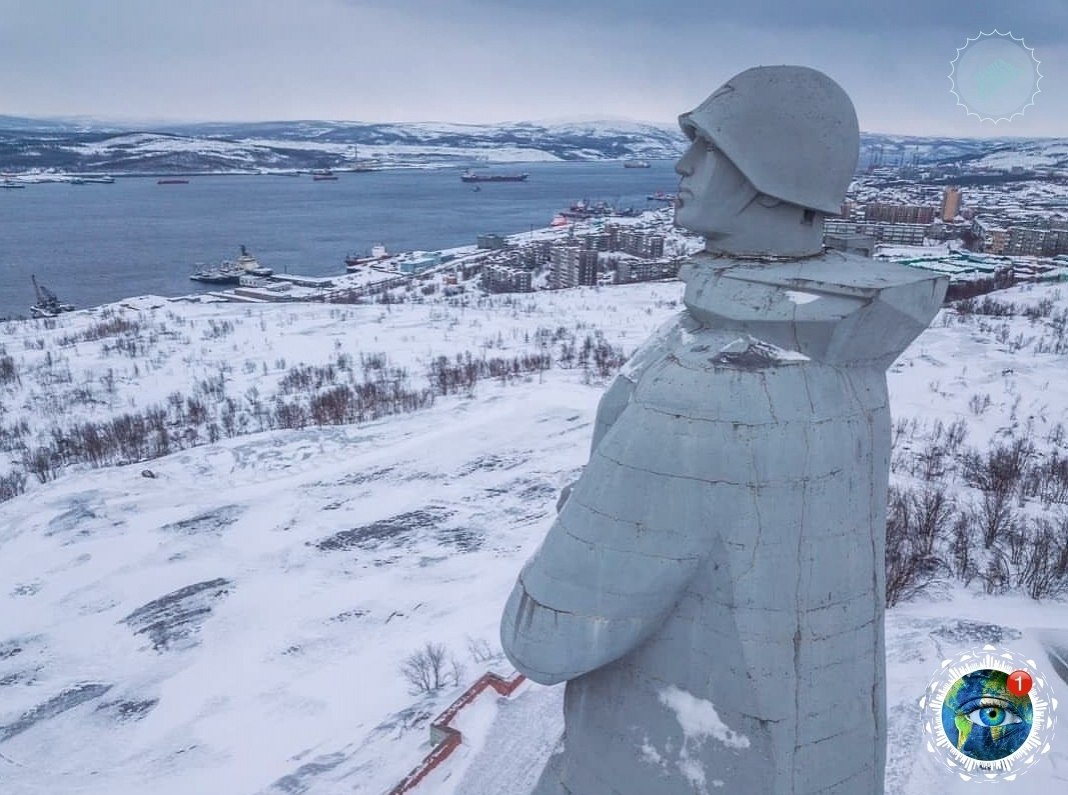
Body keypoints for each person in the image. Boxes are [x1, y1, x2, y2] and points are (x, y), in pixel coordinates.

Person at [501, 66, 948, 794]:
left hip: (670, 765)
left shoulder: (710, 390)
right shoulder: (841, 354)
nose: (681, 165)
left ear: (767, 170)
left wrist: (587, 513)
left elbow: (541, 634)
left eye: (705, 147)